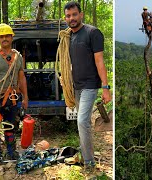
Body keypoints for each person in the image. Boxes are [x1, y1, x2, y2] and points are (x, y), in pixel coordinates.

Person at [63, 1, 112, 172]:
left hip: (90, 85)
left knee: (82, 121)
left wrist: (105, 87)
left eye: (74, 14)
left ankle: (89, 162)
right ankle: (85, 153)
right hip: (76, 86)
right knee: (83, 124)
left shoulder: (93, 33)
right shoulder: (68, 37)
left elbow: (99, 61)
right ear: (65, 18)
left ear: (81, 14)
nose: (72, 18)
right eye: (68, 16)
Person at [0, 23, 28, 164]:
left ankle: (11, 152)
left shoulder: (18, 57)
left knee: (11, 126)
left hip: (11, 98)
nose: (4, 39)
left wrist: (26, 97)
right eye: (1, 36)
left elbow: (21, 78)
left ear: (11, 37)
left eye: (7, 36)